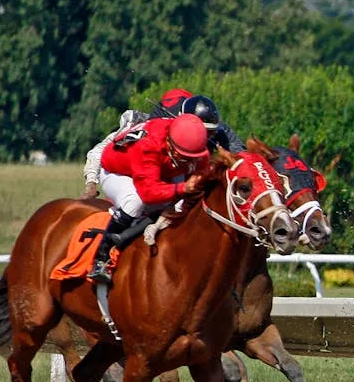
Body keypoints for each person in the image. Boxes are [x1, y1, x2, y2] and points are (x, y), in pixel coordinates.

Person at [86, 113, 211, 284]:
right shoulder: (149, 146)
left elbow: (202, 170)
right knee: (135, 201)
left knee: (181, 204)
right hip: (117, 171)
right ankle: (101, 257)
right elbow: (149, 193)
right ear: (170, 143)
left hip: (157, 168)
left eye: (193, 158)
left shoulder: (192, 145)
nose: (189, 162)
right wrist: (183, 188)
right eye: (184, 157)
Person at [81, 89, 243, 199]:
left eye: (208, 132)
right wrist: (91, 184)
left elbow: (242, 157)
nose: (199, 135)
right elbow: (99, 152)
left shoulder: (217, 128)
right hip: (138, 178)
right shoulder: (144, 126)